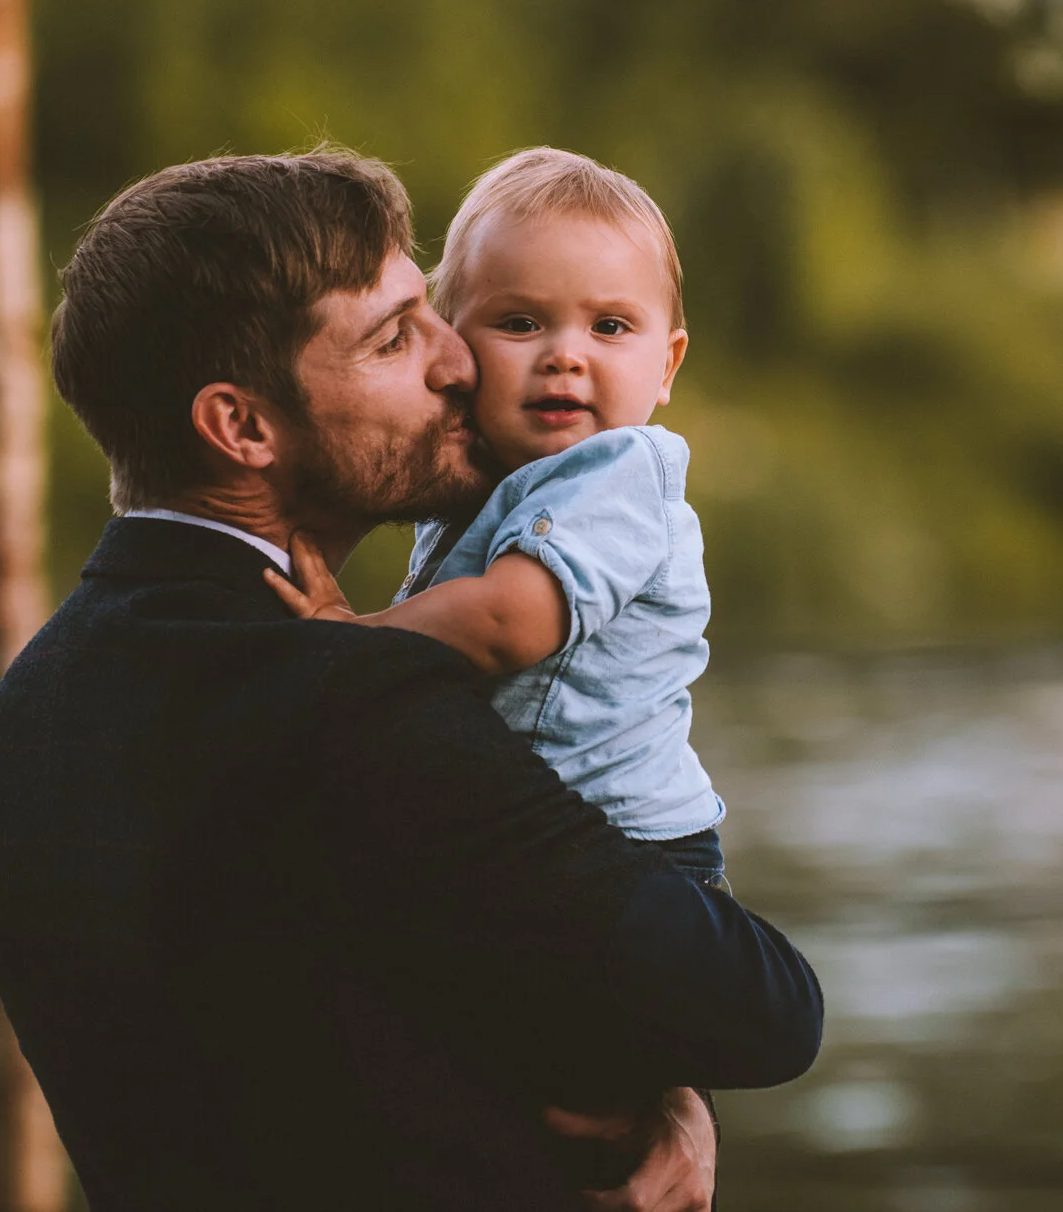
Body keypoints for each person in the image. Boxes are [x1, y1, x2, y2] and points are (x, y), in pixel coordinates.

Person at [0, 148, 820, 1211]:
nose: (457, 363)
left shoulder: (33, 713)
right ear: (244, 426)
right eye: (395, 336)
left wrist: (652, 1082)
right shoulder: (345, 701)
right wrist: (668, 1073)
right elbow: (765, 1010)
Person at [269, 149, 730, 892]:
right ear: (454, 338)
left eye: (610, 326)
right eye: (520, 322)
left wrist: (352, 638)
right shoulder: (487, 476)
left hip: (632, 851)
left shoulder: (619, 472)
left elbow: (508, 621)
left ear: (667, 365)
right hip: (537, 835)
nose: (565, 356)